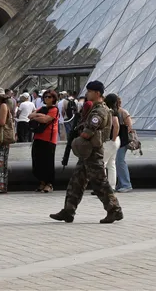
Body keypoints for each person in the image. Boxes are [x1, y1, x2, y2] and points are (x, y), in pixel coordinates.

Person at [50, 80, 122, 224]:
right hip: (88, 152)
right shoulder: (97, 109)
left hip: (93, 152)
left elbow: (88, 132)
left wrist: (78, 139)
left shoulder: (99, 111)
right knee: (76, 182)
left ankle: (114, 210)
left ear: (97, 93)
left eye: (89, 91)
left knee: (99, 182)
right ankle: (68, 211)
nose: (87, 94)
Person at [29, 90, 59, 193]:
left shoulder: (55, 109)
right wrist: (40, 116)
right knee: (37, 161)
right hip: (38, 137)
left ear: (54, 98)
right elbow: (30, 115)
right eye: (45, 97)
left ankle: (49, 184)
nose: (47, 98)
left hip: (49, 139)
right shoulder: (42, 108)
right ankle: (42, 182)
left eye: (49, 97)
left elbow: (46, 120)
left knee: (48, 162)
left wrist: (37, 116)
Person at [114, 96, 134, 192]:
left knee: (120, 161)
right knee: (117, 162)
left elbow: (129, 127)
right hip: (119, 140)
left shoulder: (123, 112)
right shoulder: (117, 112)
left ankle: (126, 184)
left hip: (122, 141)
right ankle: (121, 184)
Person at [102, 94, 121, 190]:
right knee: (111, 164)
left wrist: (112, 139)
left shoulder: (111, 112)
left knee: (103, 163)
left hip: (110, 141)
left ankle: (104, 187)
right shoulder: (116, 111)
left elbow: (116, 125)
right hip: (116, 140)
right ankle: (112, 186)